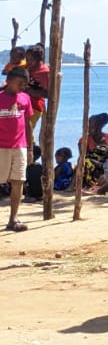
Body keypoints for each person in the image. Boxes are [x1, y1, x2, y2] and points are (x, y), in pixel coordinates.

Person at [1, 67, 35, 232]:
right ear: (9, 81)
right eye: (20, 83)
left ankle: (13, 219)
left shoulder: (25, 98)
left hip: (20, 146)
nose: (22, 87)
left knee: (18, 181)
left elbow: (28, 123)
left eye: (25, 84)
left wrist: (30, 147)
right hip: (1, 147)